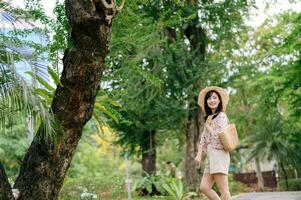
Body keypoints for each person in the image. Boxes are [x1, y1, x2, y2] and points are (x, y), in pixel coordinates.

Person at [194, 86, 231, 200]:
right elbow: (203, 138)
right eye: (209, 98)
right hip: (211, 156)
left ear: (219, 100)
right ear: (206, 102)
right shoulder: (209, 118)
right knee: (204, 187)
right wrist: (199, 154)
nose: (212, 100)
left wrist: (209, 128)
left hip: (219, 154)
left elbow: (220, 136)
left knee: (224, 191)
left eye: (215, 97)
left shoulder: (222, 116)